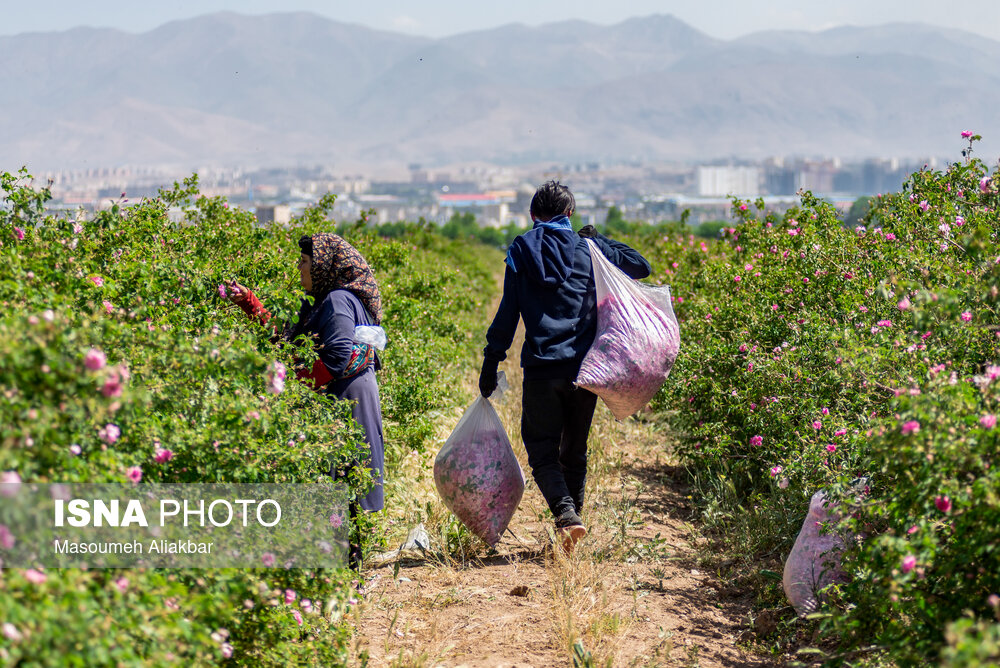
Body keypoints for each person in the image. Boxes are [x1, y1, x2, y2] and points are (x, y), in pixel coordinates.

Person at [479, 181, 651, 551]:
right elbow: (641, 266)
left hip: (542, 368)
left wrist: (491, 360)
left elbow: (508, 313)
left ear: (532, 214)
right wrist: (598, 238)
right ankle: (572, 526)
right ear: (569, 214)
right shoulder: (589, 249)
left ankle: (566, 517)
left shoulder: (521, 250)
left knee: (541, 449)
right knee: (574, 451)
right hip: (585, 370)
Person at [225, 232, 385, 570]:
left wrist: (288, 382)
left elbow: (337, 357)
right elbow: (288, 339)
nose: (299, 267)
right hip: (341, 394)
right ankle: (340, 570)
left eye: (304, 262)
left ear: (323, 266)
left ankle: (344, 573)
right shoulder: (321, 300)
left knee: (342, 482)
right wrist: (249, 303)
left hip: (348, 399)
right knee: (338, 483)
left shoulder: (337, 301)